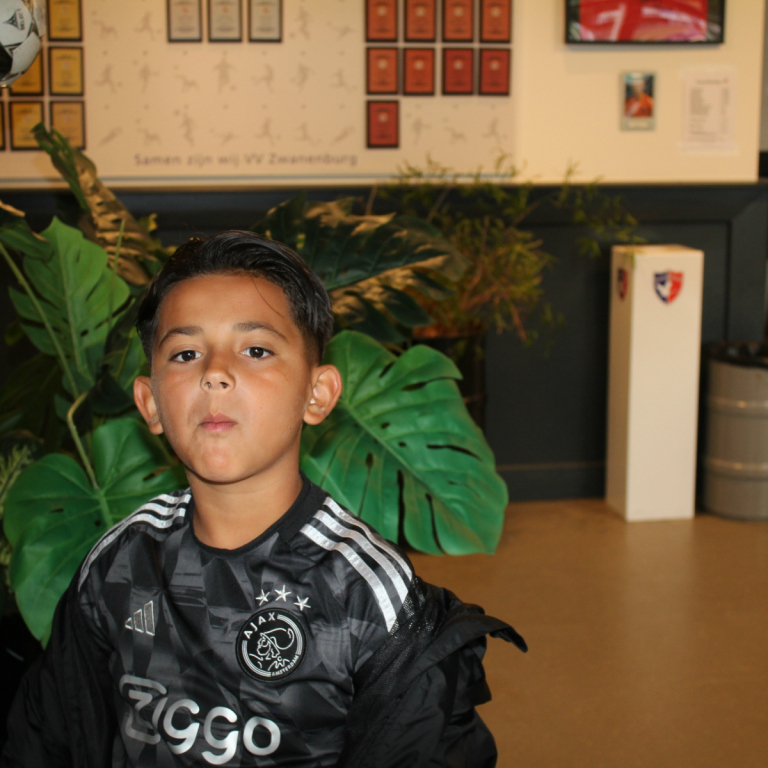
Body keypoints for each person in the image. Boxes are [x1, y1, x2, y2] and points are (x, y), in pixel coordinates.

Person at [1, 231, 526, 767]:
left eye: (255, 350)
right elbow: (48, 738)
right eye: (186, 353)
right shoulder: (118, 563)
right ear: (150, 401)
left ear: (317, 394)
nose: (214, 373)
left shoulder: (370, 602)